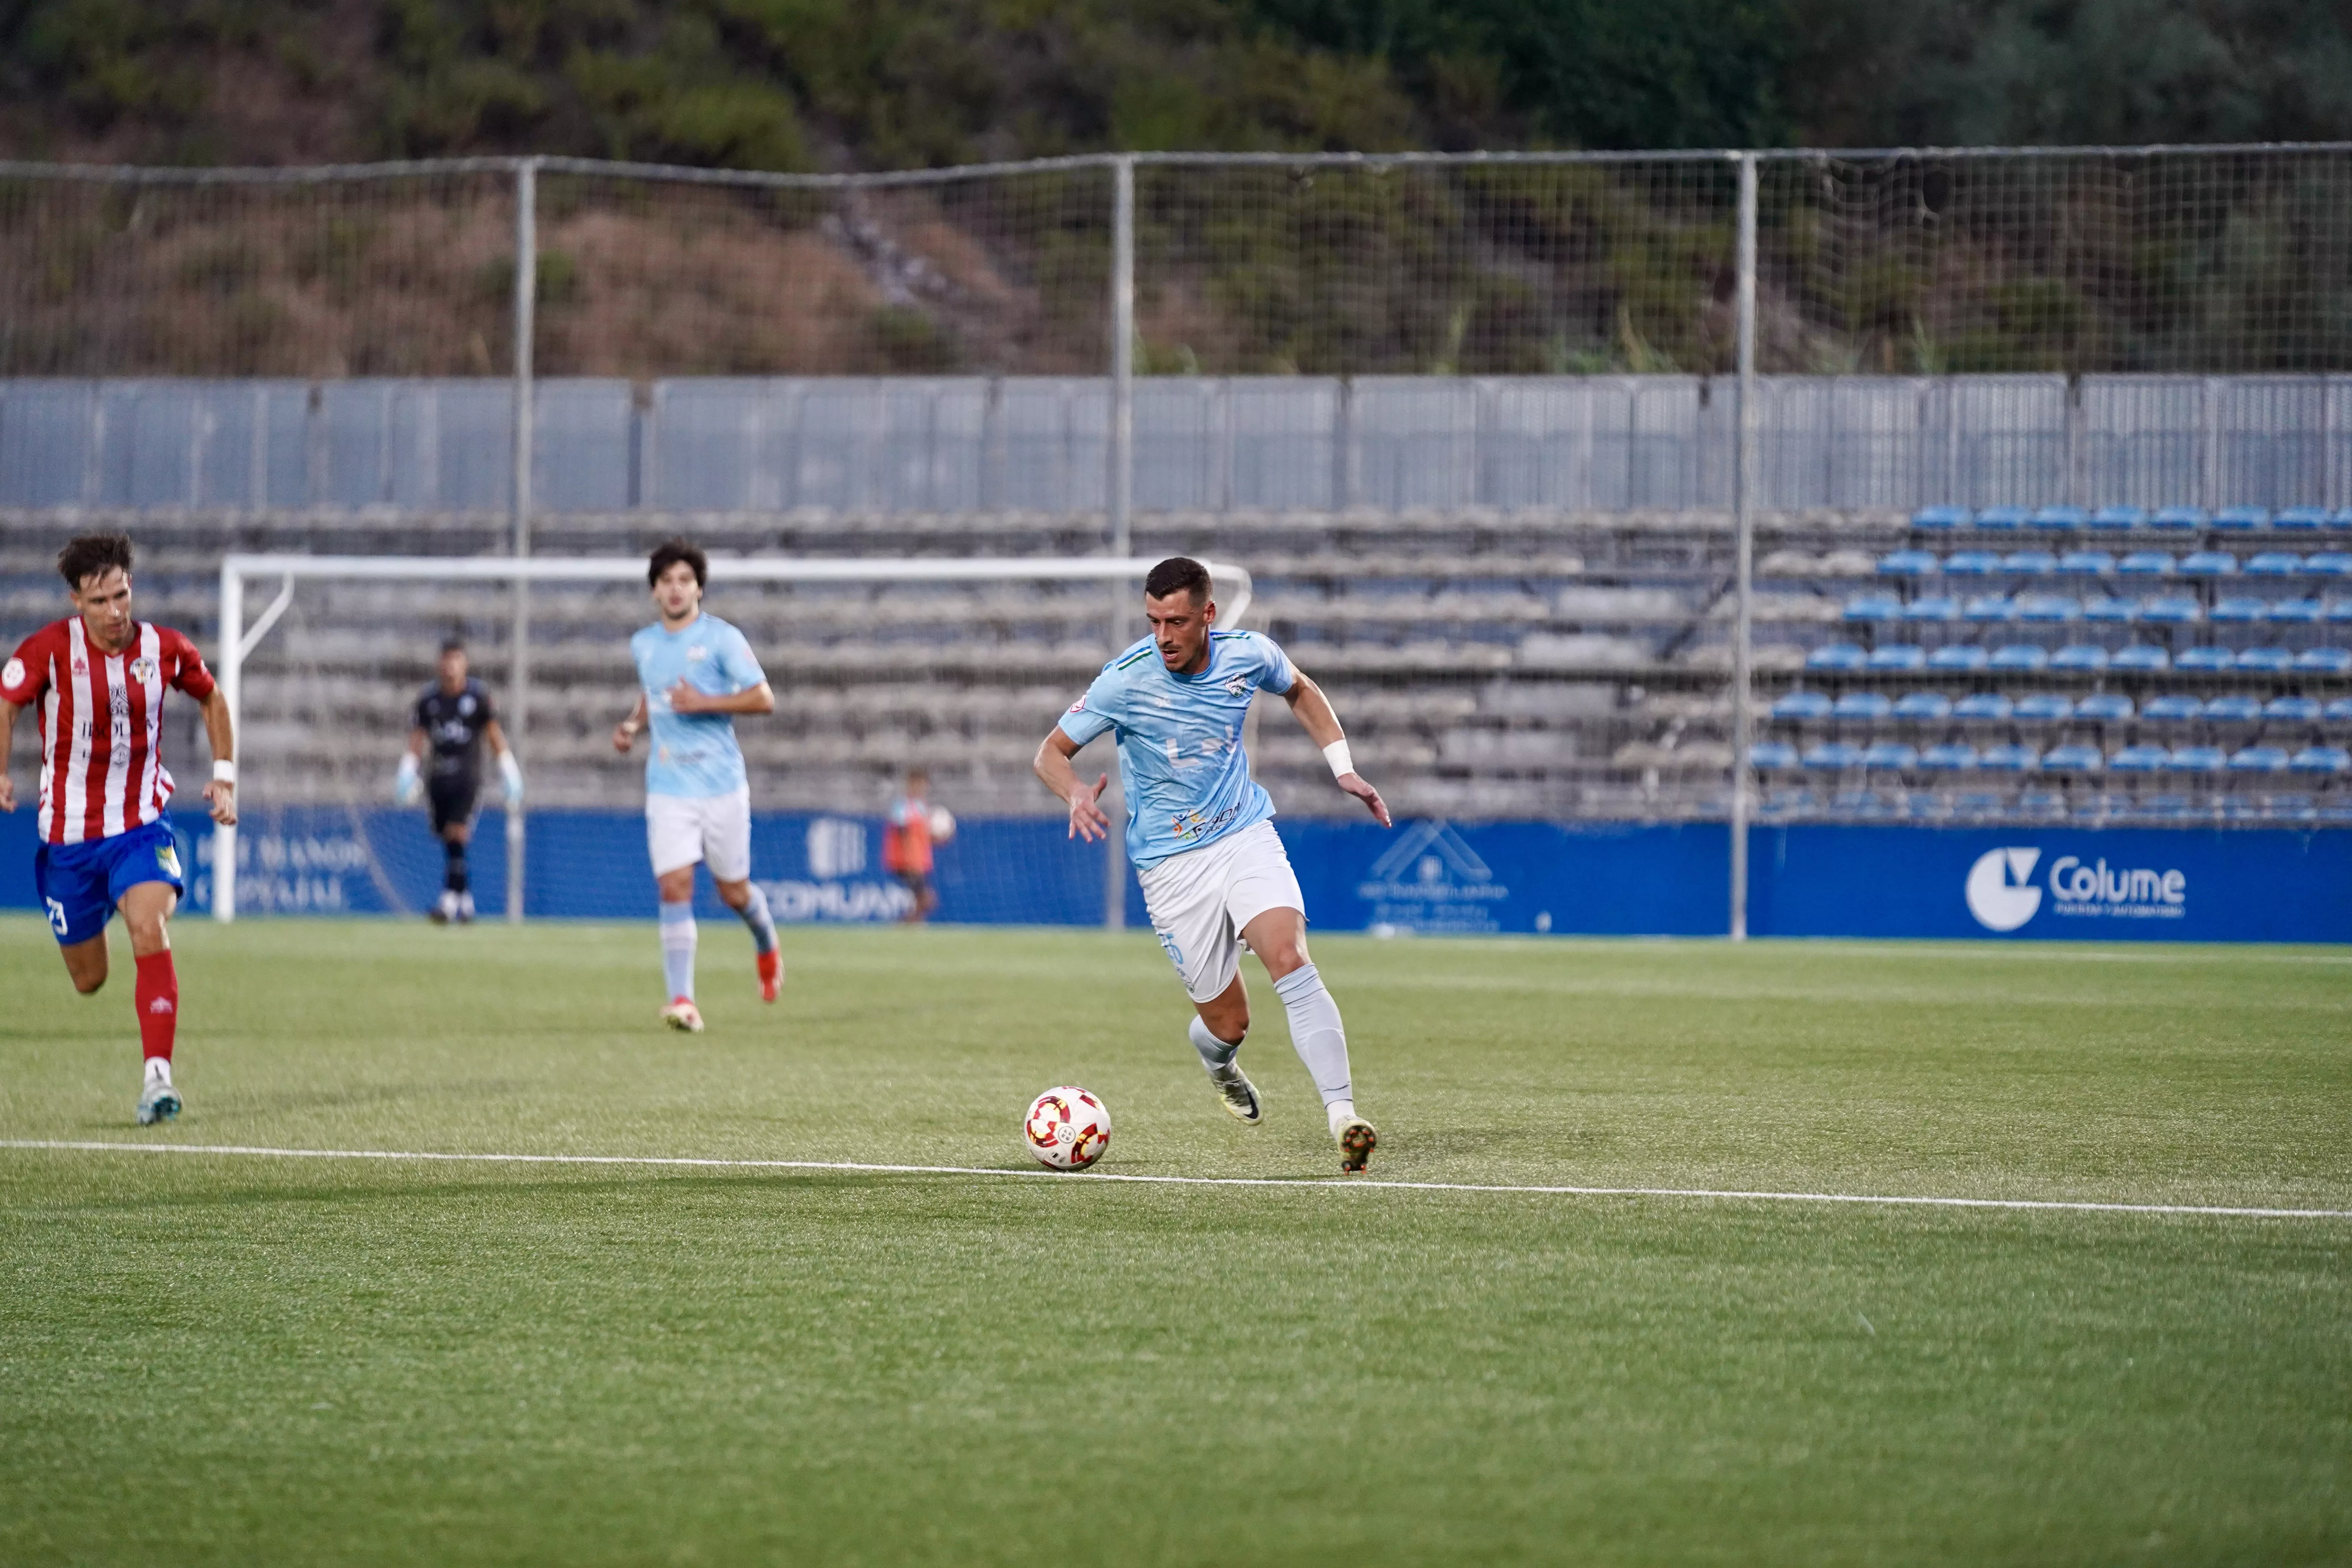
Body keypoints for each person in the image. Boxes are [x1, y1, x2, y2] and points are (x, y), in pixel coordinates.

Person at [1033, 556, 1394, 1172]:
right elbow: (1051, 752)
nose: (1164, 637)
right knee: (1230, 1023)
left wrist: (1344, 767)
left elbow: (1301, 689)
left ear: (1207, 615)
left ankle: (1343, 1116)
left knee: (1290, 957)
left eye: (1175, 621)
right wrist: (1072, 792)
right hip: (1171, 869)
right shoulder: (1126, 680)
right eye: (1153, 622)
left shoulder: (1249, 655)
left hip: (1242, 833)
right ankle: (1220, 1066)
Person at [0, 533, 238, 1125]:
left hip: (139, 827)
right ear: (77, 602)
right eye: (99, 601)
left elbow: (212, 701)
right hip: (70, 842)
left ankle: (158, 1079)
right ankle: (107, 903)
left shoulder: (165, 649)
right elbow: (5, 704)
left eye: (121, 596)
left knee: (149, 926)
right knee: (89, 980)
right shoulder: (49, 651)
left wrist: (225, 776)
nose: (115, 612)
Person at [612, 538, 781, 1031]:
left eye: (685, 580)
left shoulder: (723, 639)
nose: (676, 589)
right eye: (666, 581)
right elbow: (654, 693)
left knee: (733, 893)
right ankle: (682, 998)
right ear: (654, 592)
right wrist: (632, 725)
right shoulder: (643, 644)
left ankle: (767, 945)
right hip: (668, 784)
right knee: (675, 884)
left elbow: (763, 699)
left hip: (722, 785)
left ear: (699, 588)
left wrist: (703, 703)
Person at [395, 636, 521, 924]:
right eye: (447, 660)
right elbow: (418, 739)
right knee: (448, 840)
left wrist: (509, 771)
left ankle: (448, 901)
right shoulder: (429, 700)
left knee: (457, 832)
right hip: (438, 776)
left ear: (464, 664)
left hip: (467, 776)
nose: (451, 667)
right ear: (440, 664)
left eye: (456, 660)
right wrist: (407, 770)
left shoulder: (477, 698)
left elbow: (494, 735)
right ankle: (465, 902)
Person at [882, 767, 945, 923]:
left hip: (919, 861)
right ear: (910, 784)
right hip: (905, 861)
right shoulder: (902, 806)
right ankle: (906, 924)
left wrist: (938, 839)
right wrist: (910, 859)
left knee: (923, 900)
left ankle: (912, 925)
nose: (921, 788)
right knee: (927, 899)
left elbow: (922, 837)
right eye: (917, 784)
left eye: (923, 785)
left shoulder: (922, 808)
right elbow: (902, 833)